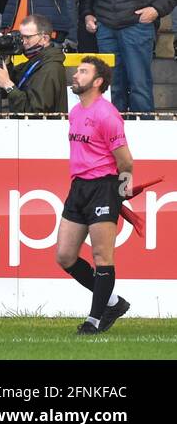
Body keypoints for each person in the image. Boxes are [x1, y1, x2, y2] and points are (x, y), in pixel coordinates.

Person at [55, 56, 132, 334]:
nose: (76, 75)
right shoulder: (75, 112)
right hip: (79, 188)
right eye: (77, 71)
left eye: (83, 71)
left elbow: (125, 161)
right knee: (65, 256)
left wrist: (120, 191)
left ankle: (94, 320)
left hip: (103, 186)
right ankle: (113, 303)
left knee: (102, 255)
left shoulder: (107, 115)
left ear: (98, 82)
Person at [0, 14, 69, 114]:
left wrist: (7, 84)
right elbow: (6, 92)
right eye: (20, 37)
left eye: (27, 37)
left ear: (44, 39)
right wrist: (6, 58)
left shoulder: (50, 67)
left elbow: (35, 110)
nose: (23, 42)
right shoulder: (31, 64)